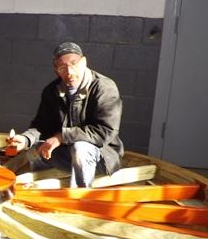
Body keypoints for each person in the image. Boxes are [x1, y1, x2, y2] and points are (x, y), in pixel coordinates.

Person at [8, 41, 124, 188]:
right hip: (68, 154)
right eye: (62, 67)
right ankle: (43, 192)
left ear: (84, 62)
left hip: (103, 157)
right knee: (36, 150)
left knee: (81, 148)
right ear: (56, 70)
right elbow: (41, 126)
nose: (69, 72)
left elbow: (105, 131)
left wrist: (61, 137)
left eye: (74, 64)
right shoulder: (51, 91)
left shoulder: (104, 88)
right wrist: (25, 139)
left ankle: (79, 196)